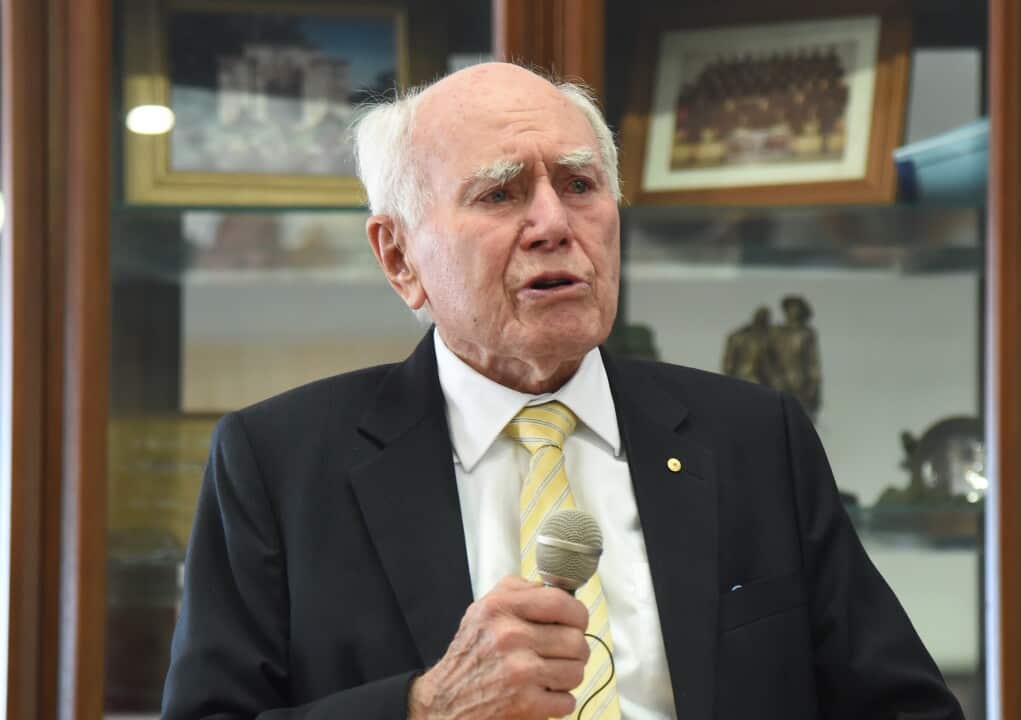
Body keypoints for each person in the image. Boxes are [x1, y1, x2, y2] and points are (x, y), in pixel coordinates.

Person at [161, 62, 963, 720]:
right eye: (501, 193)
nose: (553, 223)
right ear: (399, 257)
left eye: (579, 185)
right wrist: (425, 709)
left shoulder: (755, 438)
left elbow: (904, 708)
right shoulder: (279, 463)